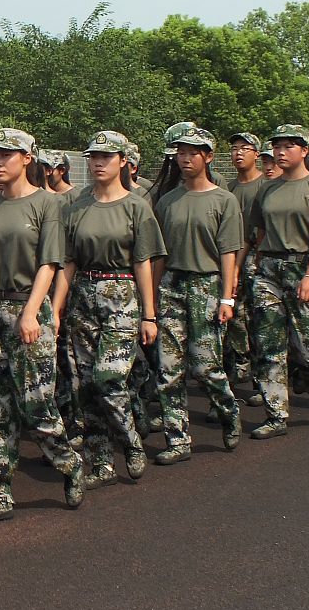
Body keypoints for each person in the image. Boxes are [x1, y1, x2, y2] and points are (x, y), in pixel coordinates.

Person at [0, 128, 84, 523]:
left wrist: (33, 312)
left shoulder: (49, 204)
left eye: (6, 155)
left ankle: (68, 462)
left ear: (27, 159)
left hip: (26, 307)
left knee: (35, 405)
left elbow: (50, 263)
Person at [55, 131, 165, 487]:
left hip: (121, 293)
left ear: (122, 161)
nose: (98, 163)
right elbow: (68, 263)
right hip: (84, 293)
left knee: (109, 376)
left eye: (106, 157)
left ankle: (131, 442)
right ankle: (100, 460)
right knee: (85, 384)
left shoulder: (136, 207)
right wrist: (56, 310)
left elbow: (143, 262)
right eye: (93, 157)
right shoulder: (76, 206)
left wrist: (149, 315)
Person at [238, 125, 309, 439]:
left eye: (289, 147)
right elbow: (256, 231)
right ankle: (276, 414)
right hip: (269, 268)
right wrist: (253, 267)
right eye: (278, 147)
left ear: (304, 151)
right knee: (269, 345)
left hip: (303, 265)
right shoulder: (267, 189)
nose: (281, 153)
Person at [149, 127, 243, 463]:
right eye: (180, 152)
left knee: (206, 367)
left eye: (193, 152)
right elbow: (158, 253)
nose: (185, 158)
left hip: (207, 284)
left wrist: (228, 298)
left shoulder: (224, 200)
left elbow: (229, 250)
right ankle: (178, 440)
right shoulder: (167, 201)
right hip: (172, 284)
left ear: (208, 156)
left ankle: (229, 411)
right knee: (168, 367)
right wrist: (155, 295)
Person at [224, 133, 266, 401]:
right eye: (234, 149)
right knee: (235, 318)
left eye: (245, 149)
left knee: (262, 321)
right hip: (233, 258)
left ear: (257, 155)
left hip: (258, 258)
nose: (238, 153)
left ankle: (266, 380)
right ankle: (240, 367)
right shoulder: (228, 189)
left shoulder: (266, 185)